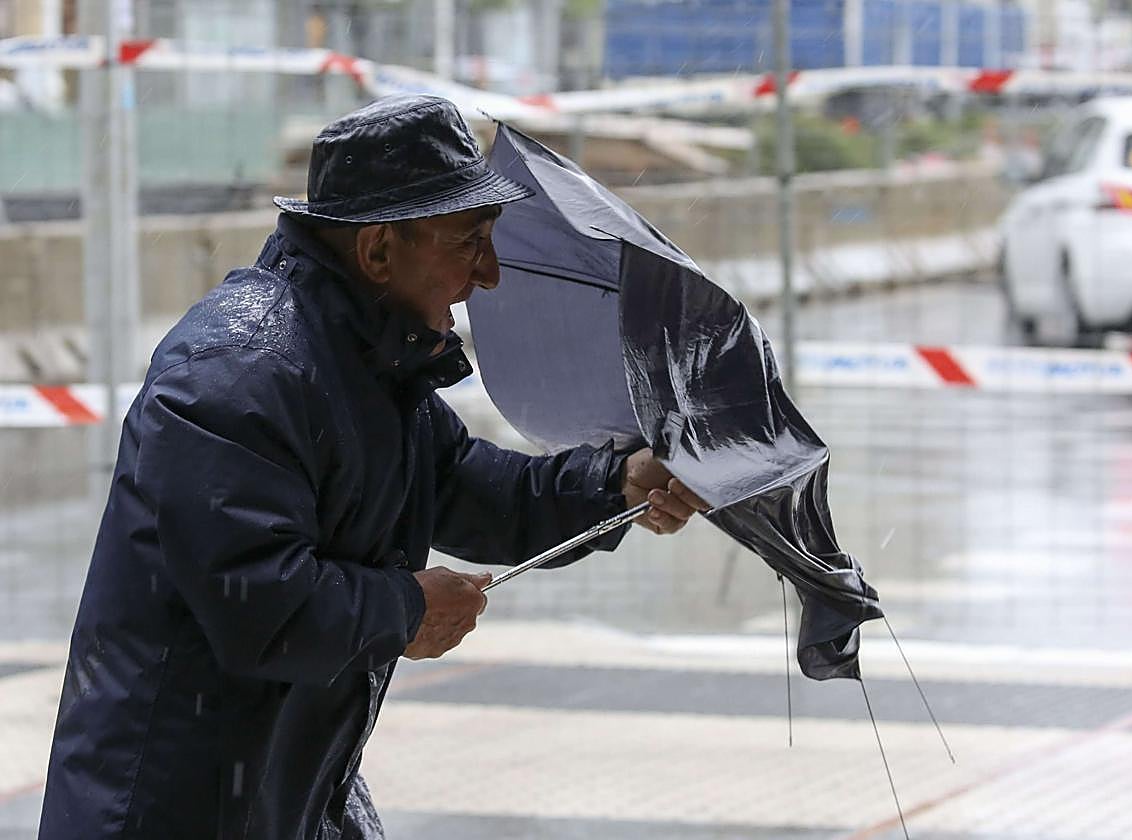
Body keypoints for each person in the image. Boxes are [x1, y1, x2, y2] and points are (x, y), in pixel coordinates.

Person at [38, 95, 708, 840]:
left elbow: (474, 488)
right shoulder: (237, 372)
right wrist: (408, 610)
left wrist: (614, 486)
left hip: (291, 793)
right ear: (380, 250)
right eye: (469, 241)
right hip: (175, 809)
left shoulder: (370, 368)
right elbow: (259, 602)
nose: (487, 274)